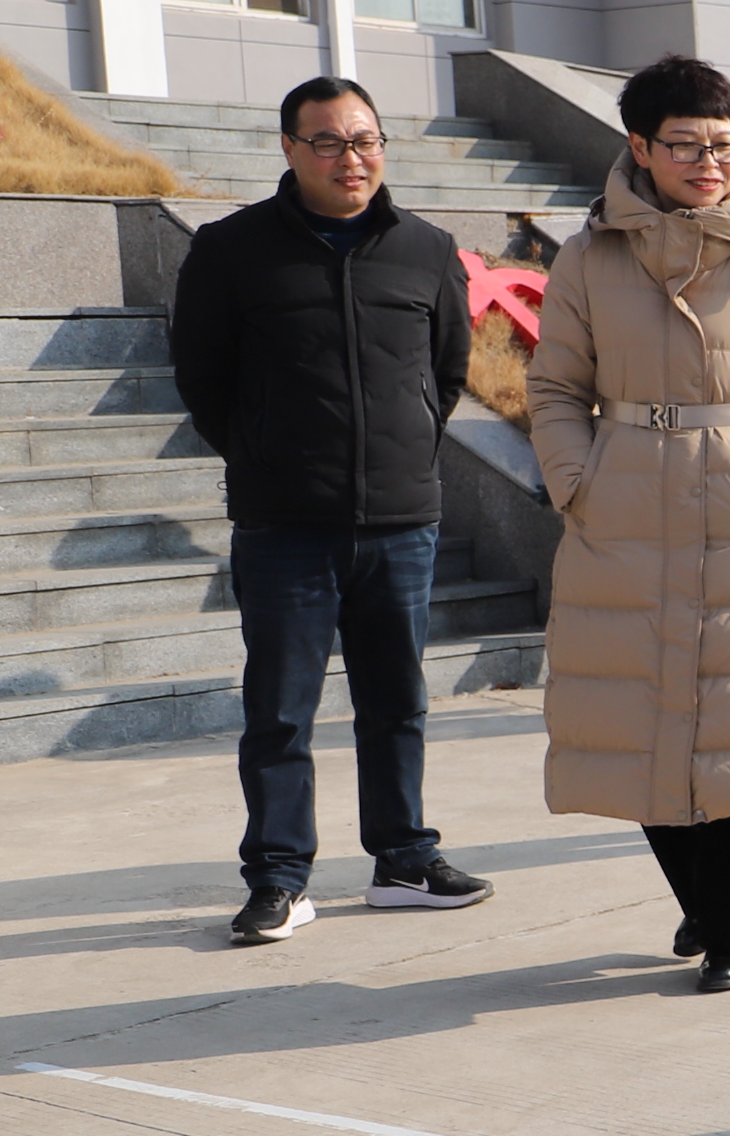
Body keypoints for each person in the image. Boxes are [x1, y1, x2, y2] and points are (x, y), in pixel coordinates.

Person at [525, 55, 730, 994]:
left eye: (725, 145)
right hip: (623, 504)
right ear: (640, 147)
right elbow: (555, 388)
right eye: (686, 146)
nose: (711, 163)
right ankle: (706, 902)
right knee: (633, 716)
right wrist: (577, 483)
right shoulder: (589, 256)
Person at [166, 75, 491, 942]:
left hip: (401, 522)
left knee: (398, 702)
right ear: (289, 148)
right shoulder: (232, 250)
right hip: (285, 523)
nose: (352, 158)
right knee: (280, 710)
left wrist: (405, 448)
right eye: (330, 142)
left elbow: (446, 372)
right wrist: (264, 452)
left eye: (366, 140)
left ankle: (405, 859)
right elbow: (201, 374)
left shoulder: (426, 249)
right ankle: (279, 878)